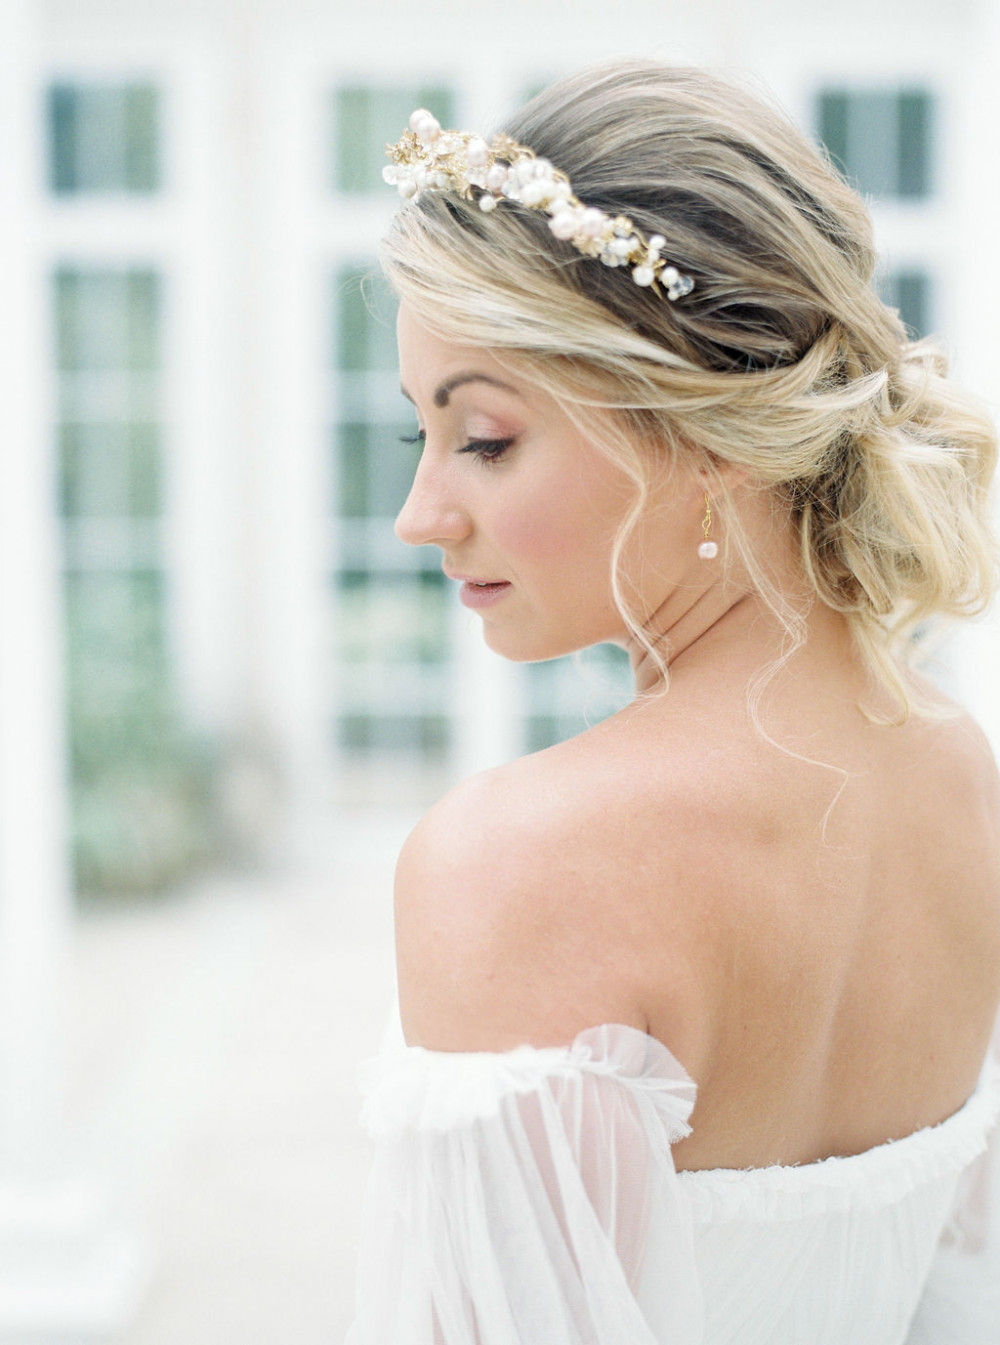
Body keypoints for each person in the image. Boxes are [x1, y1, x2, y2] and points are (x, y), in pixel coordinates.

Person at [346, 59, 1000, 1344]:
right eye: (414, 437)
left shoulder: (517, 865)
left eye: (483, 437)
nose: (421, 514)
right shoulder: (957, 771)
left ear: (696, 432)